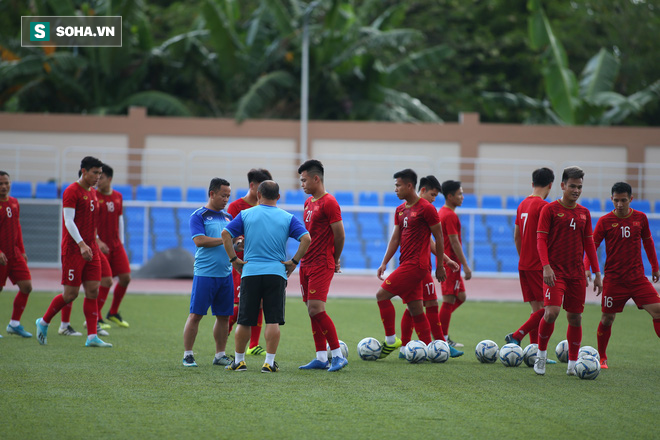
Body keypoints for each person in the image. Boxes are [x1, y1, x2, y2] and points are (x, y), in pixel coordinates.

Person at [221, 180, 310, 373]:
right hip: (276, 273)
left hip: (251, 272)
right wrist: (294, 262)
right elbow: (306, 238)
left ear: (258, 195)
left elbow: (225, 234)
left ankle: (239, 361)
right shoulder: (287, 217)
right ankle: (269, 363)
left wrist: (234, 260)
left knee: (245, 320)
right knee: (272, 320)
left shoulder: (246, 214)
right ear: (278, 197)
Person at [35, 156, 112, 348]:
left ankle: (92, 336)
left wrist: (93, 242)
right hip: (73, 250)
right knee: (70, 294)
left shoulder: (93, 193)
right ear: (84, 171)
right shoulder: (71, 191)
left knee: (93, 291)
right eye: (95, 173)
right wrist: (81, 244)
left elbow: (91, 222)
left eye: (100, 174)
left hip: (90, 249)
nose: (97, 177)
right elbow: (69, 220)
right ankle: (43, 322)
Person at [534, 166, 602, 376]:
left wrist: (597, 272)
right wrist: (546, 266)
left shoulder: (584, 213)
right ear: (562, 186)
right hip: (554, 272)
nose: (576, 190)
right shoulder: (550, 210)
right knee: (551, 312)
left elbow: (589, 244)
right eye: (572, 186)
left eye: (579, 187)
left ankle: (573, 364)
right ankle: (541, 355)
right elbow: (541, 240)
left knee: (575, 317)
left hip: (576, 274)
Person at [584, 182, 660, 369]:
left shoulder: (640, 218)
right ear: (611, 199)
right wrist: (588, 267)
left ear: (631, 199)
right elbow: (592, 246)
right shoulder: (605, 221)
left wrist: (655, 267)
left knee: (658, 310)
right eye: (616, 200)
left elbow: (648, 242)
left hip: (637, 279)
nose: (619, 204)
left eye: (623, 200)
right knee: (607, 318)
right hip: (614, 280)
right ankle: (602, 357)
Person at [375, 169, 446, 358]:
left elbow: (439, 237)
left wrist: (440, 265)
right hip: (406, 263)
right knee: (416, 310)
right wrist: (384, 262)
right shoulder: (399, 210)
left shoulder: (427, 208)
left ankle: (391, 340)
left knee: (381, 295)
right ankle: (430, 349)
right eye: (395, 186)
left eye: (398, 185)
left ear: (409, 186)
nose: (396, 189)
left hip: (416, 265)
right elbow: (395, 239)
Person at [398, 175, 463, 358]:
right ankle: (432, 345)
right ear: (423, 190)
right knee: (422, 305)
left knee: (423, 305)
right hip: (415, 266)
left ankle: (432, 345)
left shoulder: (425, 209)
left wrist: (446, 259)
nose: (434, 199)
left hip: (422, 265)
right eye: (433, 195)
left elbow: (429, 241)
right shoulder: (418, 209)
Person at [296, 159, 348, 372]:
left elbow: (340, 234)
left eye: (304, 179)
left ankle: (337, 355)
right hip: (306, 263)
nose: (302, 184)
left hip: (321, 263)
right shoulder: (308, 203)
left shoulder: (330, 202)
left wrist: (335, 259)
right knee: (311, 310)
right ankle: (320, 357)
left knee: (317, 308)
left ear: (316, 178)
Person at [504, 168, 558, 365]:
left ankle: (535, 353)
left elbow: (517, 236)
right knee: (548, 310)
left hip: (524, 263)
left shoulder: (523, 204)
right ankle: (518, 335)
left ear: (532, 182)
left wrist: (523, 257)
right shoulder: (545, 206)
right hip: (539, 265)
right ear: (551, 185)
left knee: (538, 309)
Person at [182, 178, 235, 367]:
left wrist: (237, 243)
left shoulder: (228, 217)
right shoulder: (199, 215)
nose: (226, 199)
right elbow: (199, 241)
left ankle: (220, 354)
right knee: (196, 315)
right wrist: (226, 241)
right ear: (212, 194)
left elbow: (234, 240)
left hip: (225, 274)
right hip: (205, 273)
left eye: (228, 196)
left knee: (223, 316)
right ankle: (188, 354)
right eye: (223, 195)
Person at [226, 168, 273, 356]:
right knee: (241, 305)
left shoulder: (267, 207)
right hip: (242, 264)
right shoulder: (236, 206)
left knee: (260, 302)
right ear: (252, 186)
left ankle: (253, 345)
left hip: (262, 262)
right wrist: (239, 244)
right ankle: (224, 335)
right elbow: (230, 235)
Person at [95, 163, 132, 328]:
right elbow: (89, 221)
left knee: (125, 278)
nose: (97, 180)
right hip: (99, 246)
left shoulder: (118, 196)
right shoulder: (94, 196)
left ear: (109, 178)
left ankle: (113, 312)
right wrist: (97, 240)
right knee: (105, 281)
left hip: (116, 245)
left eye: (101, 177)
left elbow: (120, 219)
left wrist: (121, 243)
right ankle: (96, 316)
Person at [437, 180, 472, 348]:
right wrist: (465, 265)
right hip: (451, 264)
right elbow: (454, 241)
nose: (462, 197)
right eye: (459, 194)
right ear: (449, 196)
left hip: (451, 264)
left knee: (461, 297)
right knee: (449, 299)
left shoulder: (444, 213)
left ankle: (437, 327)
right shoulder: (449, 215)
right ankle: (442, 338)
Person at [0, 171, 33, 338]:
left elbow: (17, 227)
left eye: (6, 183)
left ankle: (14, 324)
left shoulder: (14, 202)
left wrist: (22, 249)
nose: (4, 187)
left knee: (26, 286)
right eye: (1, 184)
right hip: (1, 256)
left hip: (14, 254)